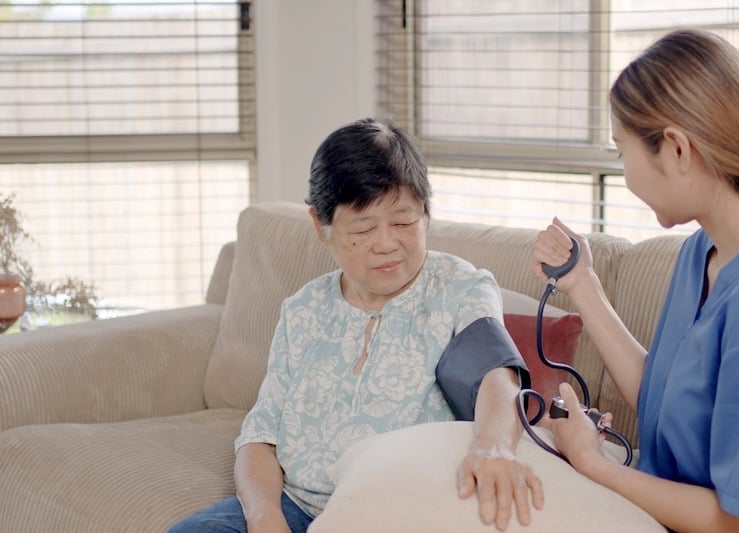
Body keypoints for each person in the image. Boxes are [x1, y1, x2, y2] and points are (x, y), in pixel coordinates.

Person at [534, 29, 739, 532]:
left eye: (622, 152)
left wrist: (593, 463)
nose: (624, 173)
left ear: (677, 149)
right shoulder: (700, 253)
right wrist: (584, 285)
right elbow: (662, 400)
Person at [170, 118, 544, 532]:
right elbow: (260, 437)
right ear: (321, 225)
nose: (386, 243)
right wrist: (265, 517)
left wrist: (493, 448)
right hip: (295, 506)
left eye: (403, 221)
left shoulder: (460, 289)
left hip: (397, 511)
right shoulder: (304, 309)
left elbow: (496, 374)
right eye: (363, 228)